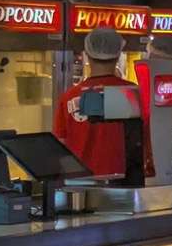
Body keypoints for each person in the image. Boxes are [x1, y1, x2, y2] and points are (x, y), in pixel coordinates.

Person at [54, 27, 138, 178]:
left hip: (82, 184)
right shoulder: (134, 94)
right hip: (126, 182)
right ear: (118, 55)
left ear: (86, 56)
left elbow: (61, 147)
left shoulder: (68, 97)